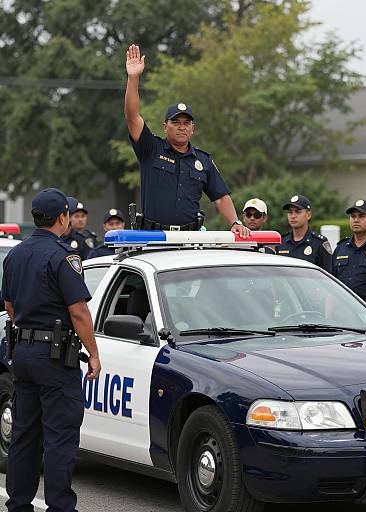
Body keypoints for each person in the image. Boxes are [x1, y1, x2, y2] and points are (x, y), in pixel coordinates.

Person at [1, 188, 101, 511]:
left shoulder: (15, 255)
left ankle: (18, 505)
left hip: (23, 353)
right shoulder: (64, 257)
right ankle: (60, 507)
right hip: (55, 358)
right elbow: (79, 312)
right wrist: (95, 354)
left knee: (24, 435)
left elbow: (10, 306)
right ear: (63, 218)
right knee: (59, 438)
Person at [124, 44, 249, 237]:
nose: (182, 126)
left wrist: (235, 222)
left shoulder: (203, 160)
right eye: (176, 122)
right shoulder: (151, 148)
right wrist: (133, 78)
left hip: (191, 239)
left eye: (186, 122)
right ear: (165, 126)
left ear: (193, 128)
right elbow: (132, 117)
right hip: (154, 239)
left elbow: (221, 197)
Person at [276, 195, 332, 272]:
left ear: (308, 215)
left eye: (297, 212)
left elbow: (328, 276)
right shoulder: (281, 242)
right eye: (290, 212)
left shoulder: (319, 243)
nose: (293, 216)